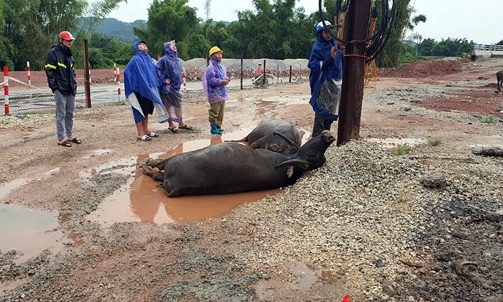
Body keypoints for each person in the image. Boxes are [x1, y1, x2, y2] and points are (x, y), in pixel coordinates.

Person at [123, 40, 169, 141]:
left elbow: (153, 73)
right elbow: (127, 72)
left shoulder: (148, 59)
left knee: (147, 110)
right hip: (139, 90)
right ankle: (140, 133)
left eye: (145, 44)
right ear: (137, 47)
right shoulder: (135, 60)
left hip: (149, 89)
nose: (144, 45)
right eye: (142, 44)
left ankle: (146, 130)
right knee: (139, 110)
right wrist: (136, 84)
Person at [44, 31, 81, 147]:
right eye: (68, 40)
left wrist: (74, 85)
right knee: (61, 114)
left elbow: (72, 72)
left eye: (71, 41)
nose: (70, 42)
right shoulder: (53, 53)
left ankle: (69, 136)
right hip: (60, 89)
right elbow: (49, 72)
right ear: (62, 40)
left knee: (69, 113)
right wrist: (54, 88)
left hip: (70, 88)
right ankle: (61, 138)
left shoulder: (69, 55)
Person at [307, 21, 344, 138]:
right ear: (320, 33)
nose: (328, 35)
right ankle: (315, 144)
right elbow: (313, 65)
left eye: (329, 32)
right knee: (320, 118)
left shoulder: (335, 45)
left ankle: (324, 143)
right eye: (325, 32)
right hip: (323, 86)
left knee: (329, 118)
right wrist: (330, 58)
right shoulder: (318, 47)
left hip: (334, 88)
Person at [156, 40, 193, 133]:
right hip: (168, 88)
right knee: (168, 105)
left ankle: (181, 123)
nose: (174, 47)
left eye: (174, 45)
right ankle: (171, 124)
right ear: (167, 48)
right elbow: (157, 69)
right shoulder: (164, 59)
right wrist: (163, 80)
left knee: (178, 104)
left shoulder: (177, 59)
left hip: (176, 86)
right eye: (172, 46)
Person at [203, 46, 230, 135]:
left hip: (222, 93)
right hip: (214, 94)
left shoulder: (221, 67)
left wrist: (226, 79)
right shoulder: (210, 68)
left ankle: (218, 126)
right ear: (212, 55)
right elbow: (211, 80)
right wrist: (222, 81)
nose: (220, 55)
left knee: (221, 112)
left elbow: (223, 77)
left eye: (220, 53)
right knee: (214, 111)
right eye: (217, 53)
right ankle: (213, 127)